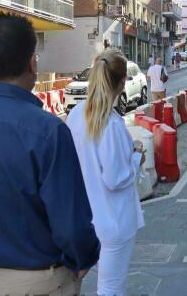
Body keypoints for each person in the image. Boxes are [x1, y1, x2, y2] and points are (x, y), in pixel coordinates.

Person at [0, 13, 100, 295]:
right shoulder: (47, 131)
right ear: (32, 63)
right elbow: (72, 226)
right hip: (37, 282)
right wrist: (84, 256)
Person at [66, 49, 147, 296]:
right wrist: (136, 157)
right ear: (123, 82)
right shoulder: (109, 124)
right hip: (114, 220)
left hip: (87, 218)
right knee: (111, 289)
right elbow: (115, 178)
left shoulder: (76, 115)